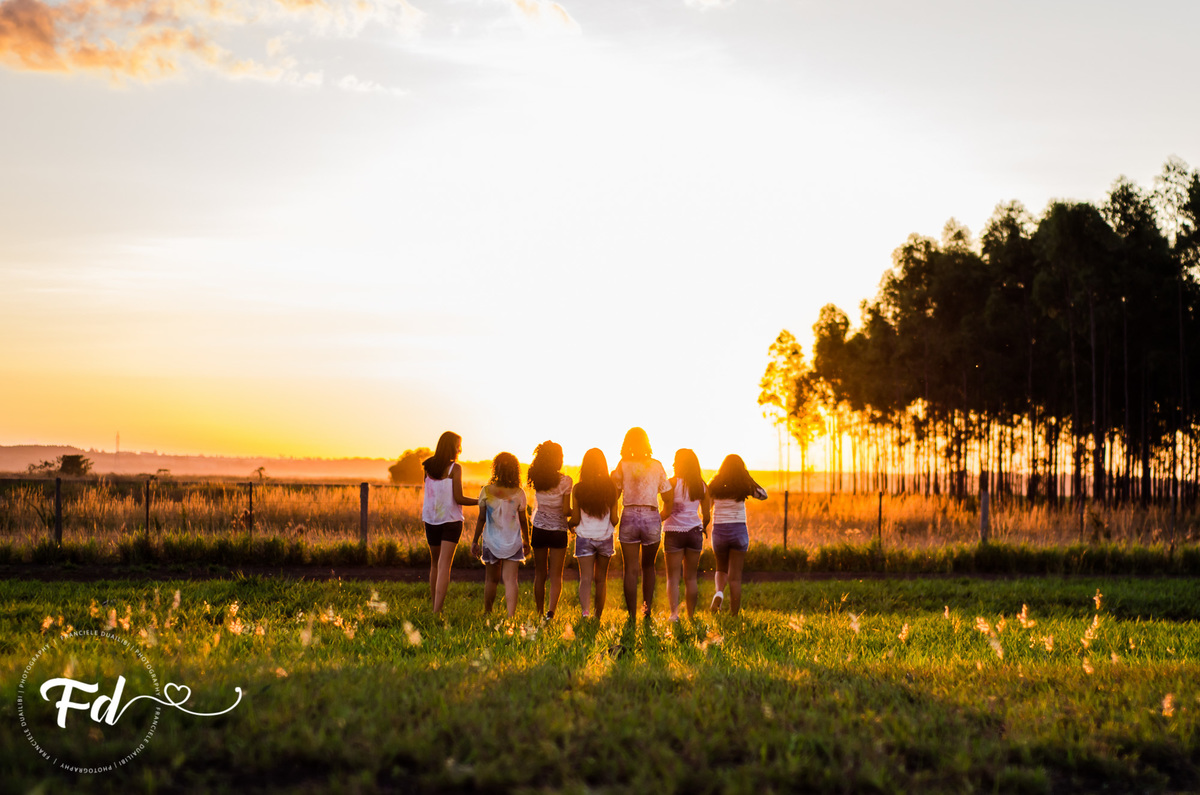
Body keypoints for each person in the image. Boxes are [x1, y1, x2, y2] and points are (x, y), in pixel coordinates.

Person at [610, 427, 672, 619]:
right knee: (648, 567)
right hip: (651, 516)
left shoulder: (623, 465)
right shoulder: (656, 465)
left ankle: (631, 615)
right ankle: (647, 610)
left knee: (630, 568)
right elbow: (668, 495)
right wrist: (660, 515)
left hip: (628, 515)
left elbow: (615, 493)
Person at [421, 431, 477, 613]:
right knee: (445, 564)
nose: (460, 449)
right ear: (451, 446)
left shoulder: (428, 467)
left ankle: (434, 607)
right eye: (458, 445)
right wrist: (480, 500)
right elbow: (459, 498)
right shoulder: (455, 469)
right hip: (451, 521)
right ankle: (438, 610)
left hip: (431, 520)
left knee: (435, 563)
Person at [471, 452, 531, 619]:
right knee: (511, 580)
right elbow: (523, 519)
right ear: (515, 470)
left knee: (491, 580)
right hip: (512, 542)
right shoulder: (519, 493)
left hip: (491, 542)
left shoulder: (486, 491)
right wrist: (527, 540)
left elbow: (482, 518)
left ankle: (487, 613)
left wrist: (475, 541)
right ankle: (511, 616)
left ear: (495, 469)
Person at [707, 454, 767, 616]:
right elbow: (763, 494)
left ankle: (719, 592)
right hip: (739, 532)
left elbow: (707, 507)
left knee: (720, 567)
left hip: (719, 531)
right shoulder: (744, 484)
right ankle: (734, 614)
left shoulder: (714, 484)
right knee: (735, 577)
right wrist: (749, 479)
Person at [568, 448, 619, 620]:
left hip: (584, 537)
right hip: (605, 537)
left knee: (585, 578)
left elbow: (575, 518)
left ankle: (585, 613)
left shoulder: (578, 489)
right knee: (601, 580)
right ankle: (598, 616)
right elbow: (614, 518)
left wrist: (569, 525)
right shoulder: (611, 488)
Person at [661, 449, 711, 621]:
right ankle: (691, 616)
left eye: (676, 461)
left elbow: (665, 510)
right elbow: (707, 515)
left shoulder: (671, 484)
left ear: (681, 463)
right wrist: (702, 527)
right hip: (694, 532)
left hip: (673, 532)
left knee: (673, 577)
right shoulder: (701, 485)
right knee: (691, 578)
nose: (674, 464)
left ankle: (674, 614)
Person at [527, 441, 573, 619]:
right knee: (556, 575)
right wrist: (576, 515)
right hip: (558, 531)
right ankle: (550, 613)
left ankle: (539, 613)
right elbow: (565, 510)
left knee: (540, 574)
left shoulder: (538, 478)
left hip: (539, 528)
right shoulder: (566, 481)